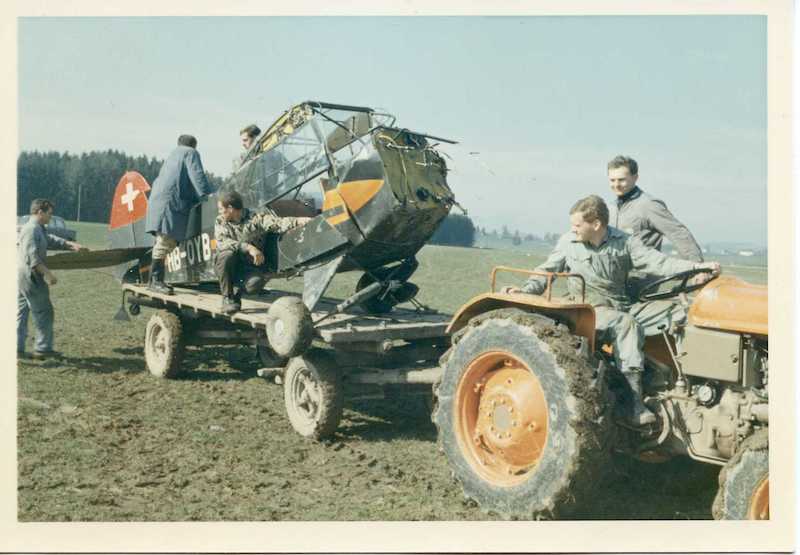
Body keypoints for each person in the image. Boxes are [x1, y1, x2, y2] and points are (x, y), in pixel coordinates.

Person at [505, 195, 720, 425]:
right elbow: (545, 272)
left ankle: (689, 384)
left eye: (577, 225)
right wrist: (525, 291)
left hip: (621, 305)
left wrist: (697, 267)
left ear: (596, 224)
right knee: (625, 324)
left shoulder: (625, 242)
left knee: (680, 313)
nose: (573, 229)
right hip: (588, 311)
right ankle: (634, 404)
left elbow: (658, 263)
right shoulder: (568, 243)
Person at [607, 155, 705, 295]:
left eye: (621, 180)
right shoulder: (610, 208)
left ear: (635, 178)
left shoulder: (648, 205)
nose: (616, 185)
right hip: (615, 281)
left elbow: (678, 233)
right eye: (612, 180)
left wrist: (698, 269)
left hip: (640, 282)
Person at [214, 191, 311, 314]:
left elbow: (277, 223)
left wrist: (298, 221)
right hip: (227, 265)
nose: (219, 212)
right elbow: (223, 243)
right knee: (226, 254)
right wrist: (249, 247)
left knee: (255, 284)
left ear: (230, 208)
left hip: (248, 266)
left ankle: (237, 293)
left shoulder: (255, 218)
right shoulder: (220, 221)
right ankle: (228, 298)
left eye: (221, 209)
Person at [145, 134, 217, 295]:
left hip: (160, 202)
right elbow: (197, 175)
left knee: (164, 242)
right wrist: (208, 196)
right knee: (165, 242)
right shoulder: (190, 153)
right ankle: (155, 281)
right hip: (170, 204)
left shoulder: (173, 155)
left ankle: (156, 280)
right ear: (194, 145)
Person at [17, 199, 85, 359]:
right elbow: (33, 260)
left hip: (22, 277)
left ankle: (17, 348)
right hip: (31, 277)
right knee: (44, 312)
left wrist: (70, 245)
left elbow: (50, 239)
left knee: (21, 312)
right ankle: (43, 348)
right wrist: (48, 275)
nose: (50, 217)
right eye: (49, 213)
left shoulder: (38, 229)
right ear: (40, 212)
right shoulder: (31, 230)